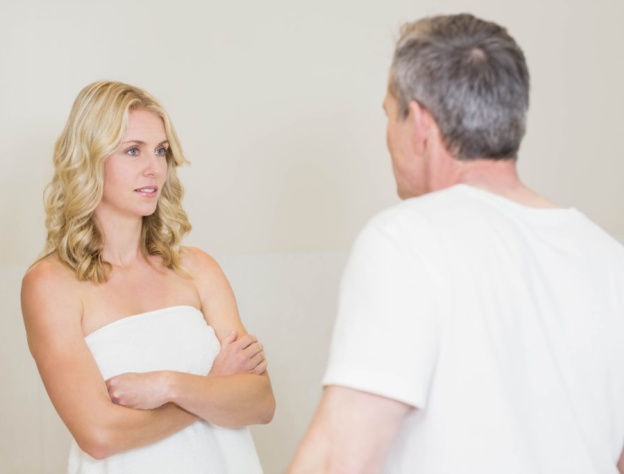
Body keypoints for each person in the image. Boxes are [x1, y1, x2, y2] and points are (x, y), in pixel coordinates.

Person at [288, 13, 624, 474]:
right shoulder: (609, 259)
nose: (388, 134)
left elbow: (338, 461)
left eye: (389, 114)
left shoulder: (407, 238)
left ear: (421, 124)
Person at [21, 81, 275, 473]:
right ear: (89, 160)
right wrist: (211, 389)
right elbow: (100, 435)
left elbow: (260, 403)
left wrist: (169, 386)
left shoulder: (197, 268)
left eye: (161, 151)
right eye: (133, 150)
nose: (153, 167)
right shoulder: (51, 284)